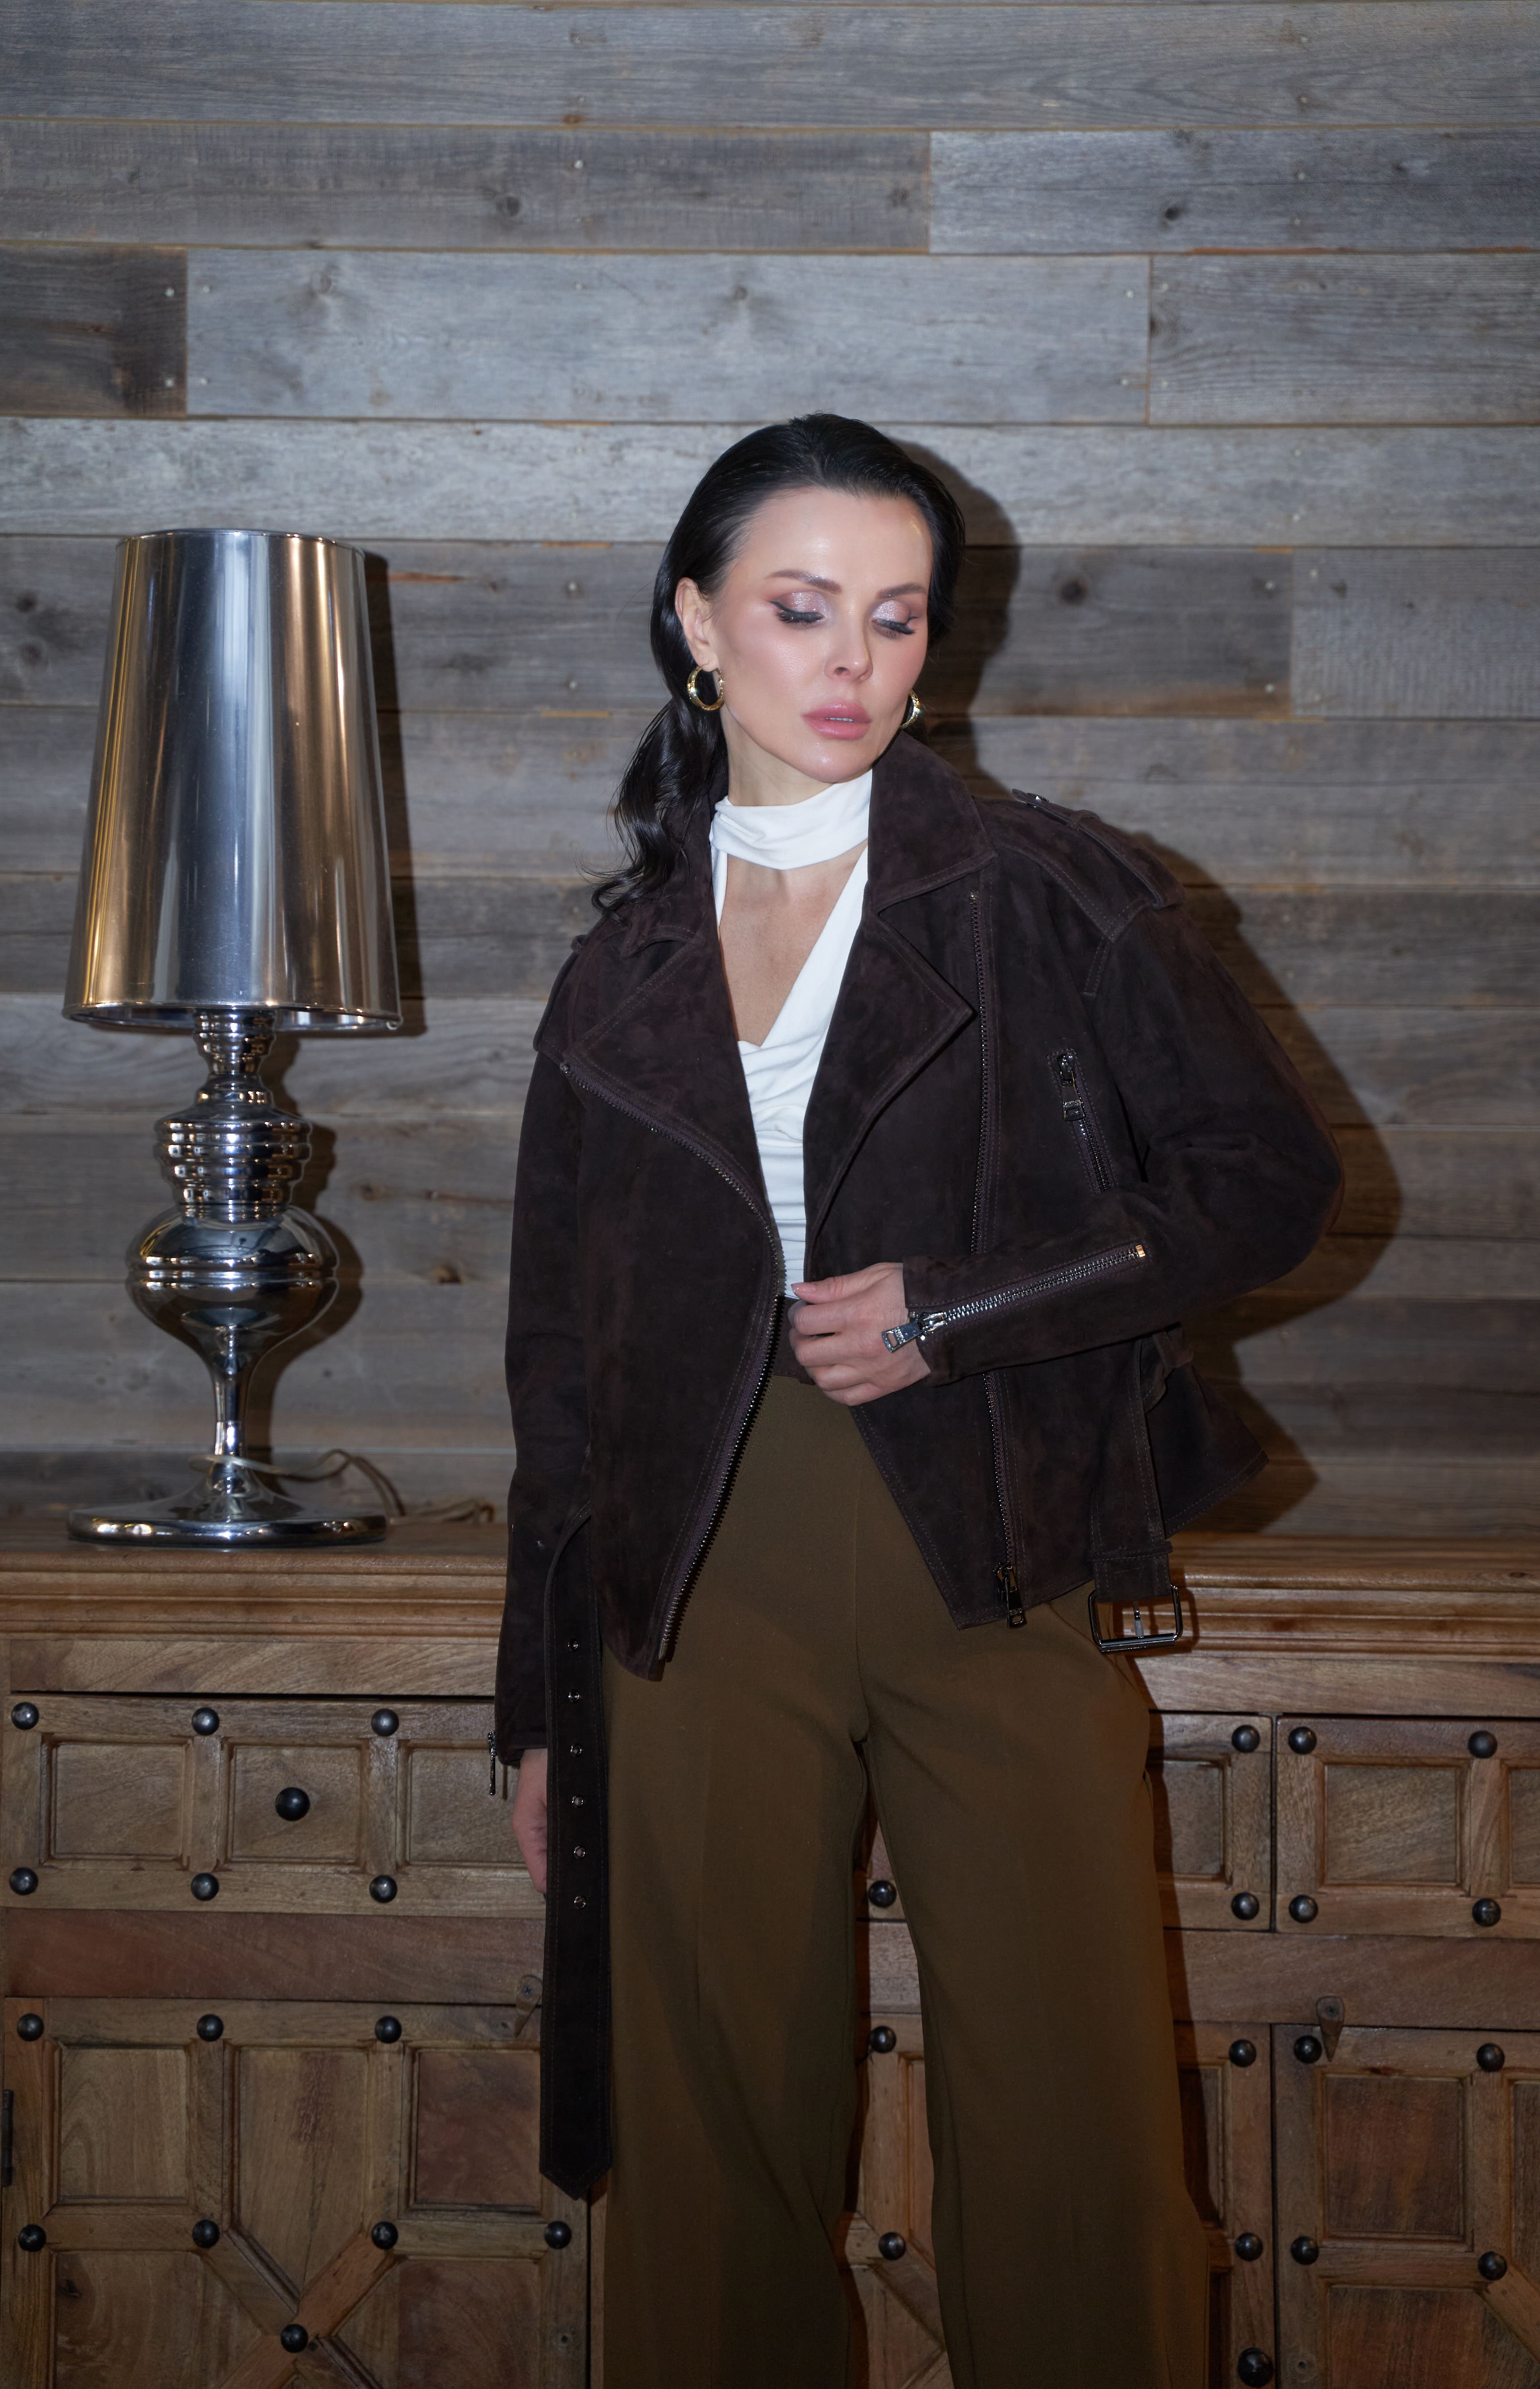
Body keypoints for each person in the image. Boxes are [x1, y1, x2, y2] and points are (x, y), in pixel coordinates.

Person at [495, 414, 1341, 2388]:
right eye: (803, 610)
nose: (853, 662)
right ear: (697, 622)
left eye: (895, 617)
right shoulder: (617, 969)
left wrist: (954, 1311)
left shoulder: (1057, 890)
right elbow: (559, 1370)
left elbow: (1264, 1184)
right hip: (694, 1568)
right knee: (707, 2134)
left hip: (1002, 1533)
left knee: (1076, 2111)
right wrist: (543, 1706)